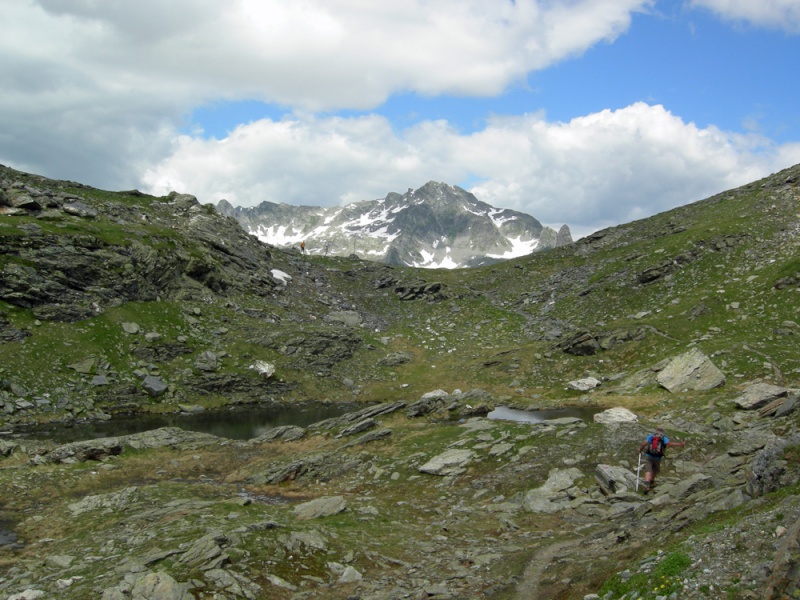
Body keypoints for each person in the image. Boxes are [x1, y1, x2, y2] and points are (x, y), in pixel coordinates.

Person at [638, 426, 685, 494]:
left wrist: (640, 449)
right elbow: (669, 444)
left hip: (649, 456)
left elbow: (644, 443)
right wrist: (680, 444)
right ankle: (651, 481)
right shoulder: (663, 437)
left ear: (656, 430)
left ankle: (647, 483)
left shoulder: (651, 436)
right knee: (655, 469)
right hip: (657, 457)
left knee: (648, 469)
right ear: (663, 431)